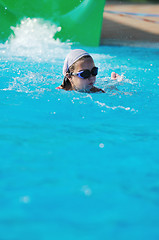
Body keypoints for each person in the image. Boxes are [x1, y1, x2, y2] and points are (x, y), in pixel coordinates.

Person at [56, 49, 121, 93]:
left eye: (94, 71)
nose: (91, 77)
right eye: (85, 74)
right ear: (69, 76)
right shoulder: (59, 93)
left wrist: (114, 85)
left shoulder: (96, 91)